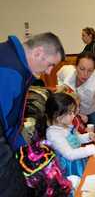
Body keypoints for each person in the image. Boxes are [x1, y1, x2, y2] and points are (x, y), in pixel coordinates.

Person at [0, 32, 65, 197]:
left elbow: (9, 124)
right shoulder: (10, 72)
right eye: (50, 64)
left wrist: (25, 150)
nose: (50, 72)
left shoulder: (12, 60)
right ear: (38, 53)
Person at [57, 51, 95, 147]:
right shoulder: (67, 71)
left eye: (90, 70)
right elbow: (59, 75)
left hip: (91, 111)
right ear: (76, 67)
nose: (85, 74)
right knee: (73, 140)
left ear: (94, 70)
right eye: (82, 69)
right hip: (73, 114)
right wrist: (62, 89)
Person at [45, 92, 95, 177]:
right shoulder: (54, 134)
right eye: (70, 113)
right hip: (71, 168)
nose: (74, 115)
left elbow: (75, 139)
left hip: (78, 159)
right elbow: (70, 154)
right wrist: (94, 149)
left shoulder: (66, 125)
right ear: (58, 117)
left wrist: (88, 136)